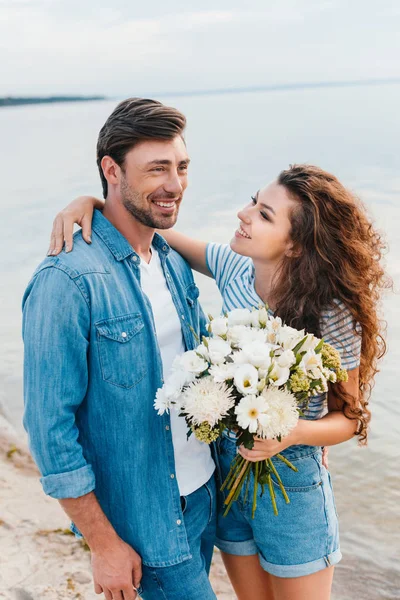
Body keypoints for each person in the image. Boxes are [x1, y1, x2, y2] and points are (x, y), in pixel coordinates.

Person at [52, 164, 389, 600]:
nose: (243, 214)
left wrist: (292, 434)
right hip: (226, 472)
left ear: (296, 246)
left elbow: (350, 419)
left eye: (265, 214)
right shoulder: (233, 268)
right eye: (253, 200)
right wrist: (94, 203)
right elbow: (150, 230)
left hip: (292, 484)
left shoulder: (333, 312)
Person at [23, 98, 219, 600]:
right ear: (112, 170)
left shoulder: (171, 259)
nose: (174, 184)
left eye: (181, 167)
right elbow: (50, 430)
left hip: (203, 497)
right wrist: (102, 543)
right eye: (157, 169)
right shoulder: (66, 279)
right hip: (141, 525)